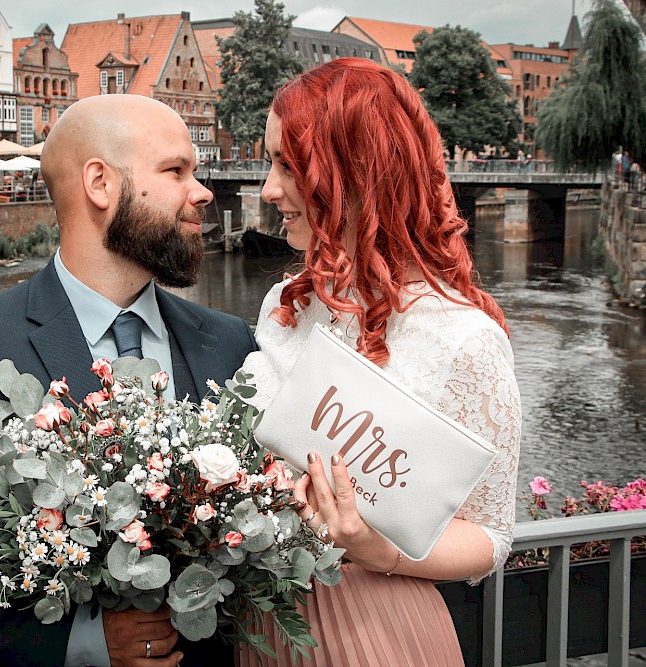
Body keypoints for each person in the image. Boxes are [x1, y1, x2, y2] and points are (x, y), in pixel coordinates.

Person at [0, 94, 256, 667]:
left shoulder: (228, 343)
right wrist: (82, 640)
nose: (202, 193)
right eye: (176, 171)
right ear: (99, 183)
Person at [237, 58, 522, 666]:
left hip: (372, 628)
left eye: (288, 164)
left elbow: (491, 536)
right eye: (271, 162)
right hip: (265, 625)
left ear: (357, 174)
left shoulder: (464, 339)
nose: (267, 187)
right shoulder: (289, 305)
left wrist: (375, 547)